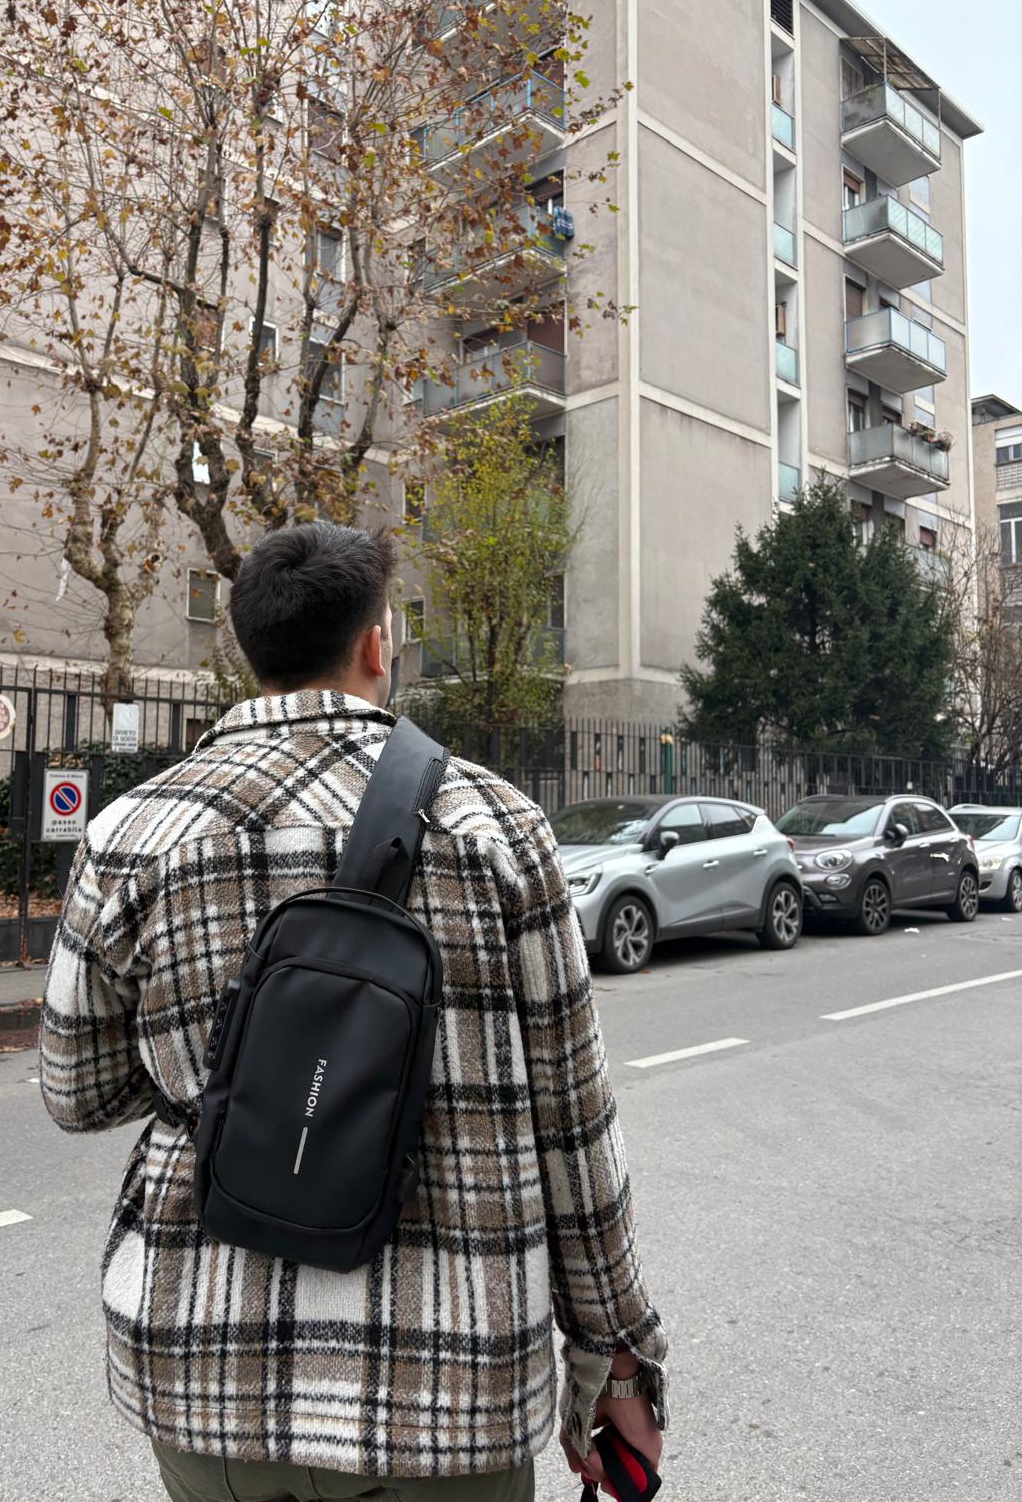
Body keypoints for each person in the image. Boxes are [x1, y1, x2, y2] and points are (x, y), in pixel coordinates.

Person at [40, 522, 668, 1502]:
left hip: (205, 1372)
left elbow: (77, 1093)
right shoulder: (498, 828)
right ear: (379, 642)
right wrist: (619, 1359)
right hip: (448, 1394)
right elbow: (574, 1135)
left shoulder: (133, 832)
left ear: (247, 650)